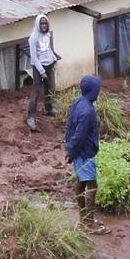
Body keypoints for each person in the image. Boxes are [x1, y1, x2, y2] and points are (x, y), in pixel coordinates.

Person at [65, 75, 105, 232]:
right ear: (93, 91)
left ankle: (84, 217)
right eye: (98, 90)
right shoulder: (87, 111)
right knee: (91, 185)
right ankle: (88, 222)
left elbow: (70, 128)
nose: (99, 93)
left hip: (78, 151)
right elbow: (79, 135)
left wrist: (69, 148)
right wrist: (71, 151)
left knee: (81, 182)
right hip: (84, 153)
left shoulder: (78, 103)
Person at [25, 13, 59, 130]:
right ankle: (30, 117)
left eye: (45, 23)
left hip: (48, 64)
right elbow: (34, 57)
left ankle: (49, 109)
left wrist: (54, 59)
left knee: (49, 88)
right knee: (36, 91)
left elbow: (48, 49)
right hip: (38, 67)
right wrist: (41, 71)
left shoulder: (47, 34)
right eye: (42, 23)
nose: (44, 25)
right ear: (38, 24)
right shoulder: (33, 38)